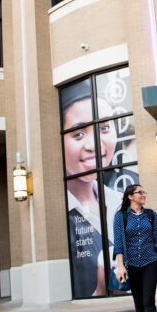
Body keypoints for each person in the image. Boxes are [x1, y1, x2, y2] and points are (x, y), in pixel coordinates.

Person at [62, 81, 122, 297]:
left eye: (104, 128)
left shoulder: (120, 200)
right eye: (78, 134)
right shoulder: (63, 215)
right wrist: (100, 290)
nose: (94, 145)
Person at [113, 184, 157, 312]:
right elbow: (119, 244)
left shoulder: (151, 215)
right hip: (132, 265)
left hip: (150, 262)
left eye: (144, 191)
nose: (144, 195)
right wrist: (120, 266)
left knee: (148, 300)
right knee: (139, 304)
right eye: (140, 192)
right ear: (130, 196)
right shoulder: (120, 217)